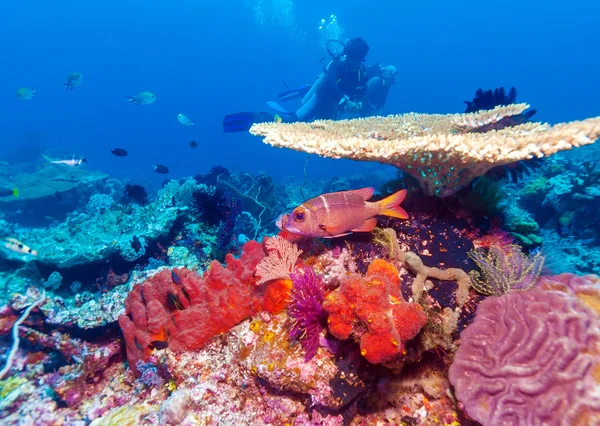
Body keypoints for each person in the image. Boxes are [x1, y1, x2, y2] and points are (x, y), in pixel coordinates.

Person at [222, 38, 377, 132]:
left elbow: (363, 91)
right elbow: (329, 83)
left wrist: (360, 106)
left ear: (362, 58)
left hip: (333, 108)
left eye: (357, 59)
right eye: (352, 58)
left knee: (321, 131)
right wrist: (346, 101)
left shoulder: (362, 72)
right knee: (290, 123)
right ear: (348, 55)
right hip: (319, 99)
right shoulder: (338, 64)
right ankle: (261, 117)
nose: (354, 62)